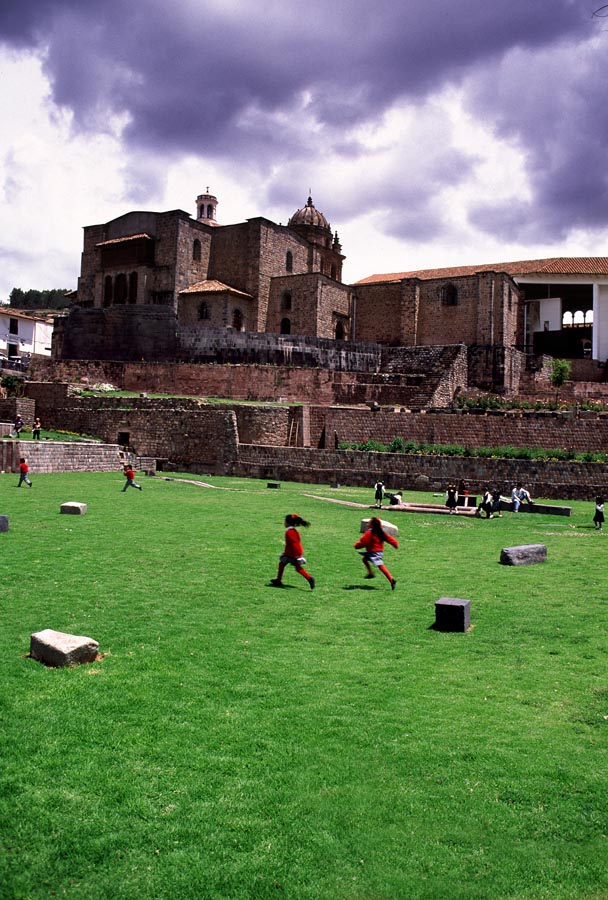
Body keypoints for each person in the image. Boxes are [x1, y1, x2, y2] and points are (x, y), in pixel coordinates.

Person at [271, 514, 315, 590]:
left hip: (292, 553)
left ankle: (278, 580)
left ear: (288, 523)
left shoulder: (289, 532)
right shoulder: (294, 531)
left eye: (285, 522)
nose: (284, 523)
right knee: (296, 568)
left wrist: (289, 554)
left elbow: (293, 544)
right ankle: (309, 579)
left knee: (282, 564)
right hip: (296, 552)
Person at [354, 516, 398, 590]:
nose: (368, 524)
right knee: (364, 559)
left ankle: (392, 580)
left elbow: (364, 542)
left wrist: (357, 546)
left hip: (374, 553)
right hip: (376, 552)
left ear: (372, 524)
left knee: (381, 566)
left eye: (369, 522)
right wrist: (395, 544)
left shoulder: (369, 533)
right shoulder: (379, 532)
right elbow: (389, 538)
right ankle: (370, 573)